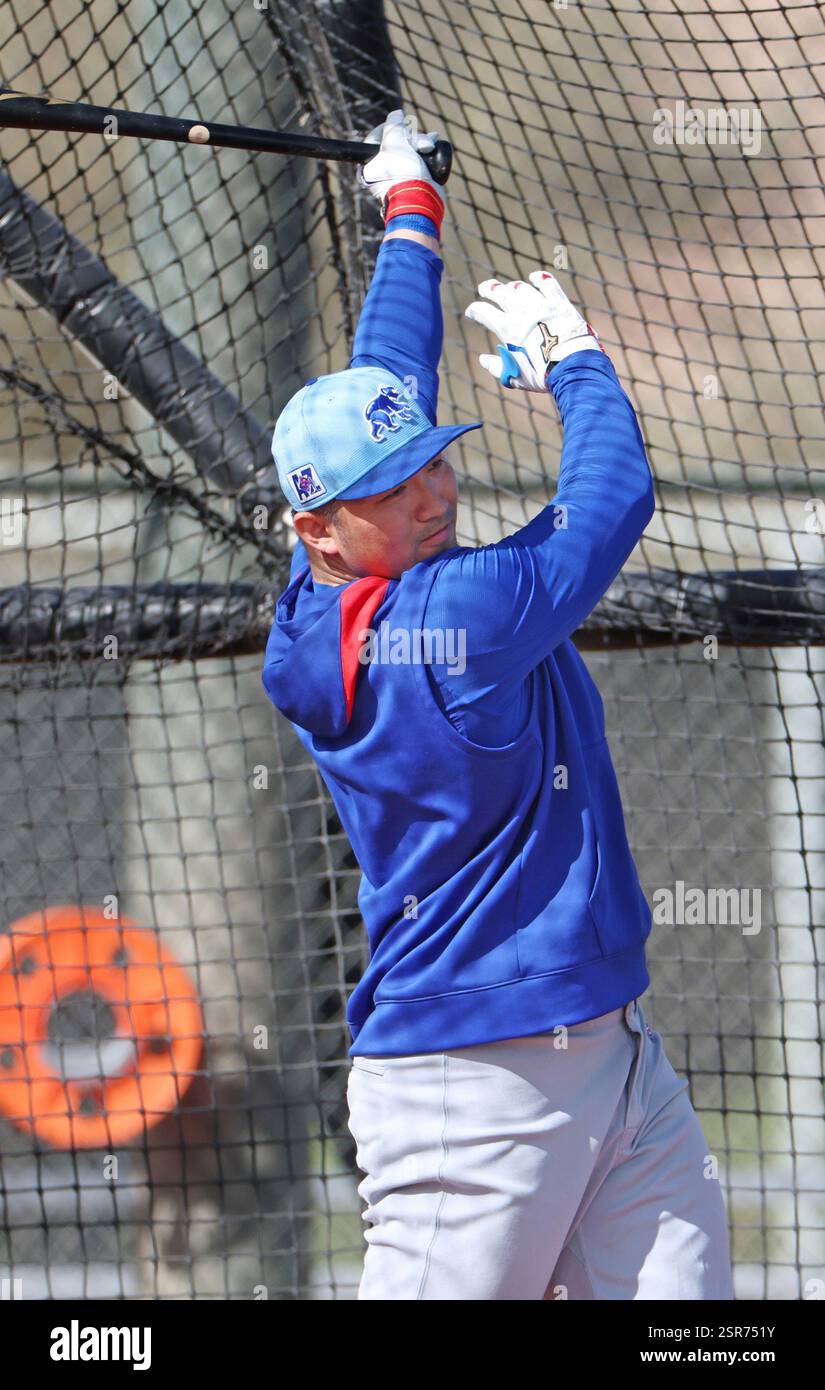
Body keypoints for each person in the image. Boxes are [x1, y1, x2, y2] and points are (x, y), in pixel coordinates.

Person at [262, 109, 733, 1301]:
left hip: (614, 1056)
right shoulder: (455, 618)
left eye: (432, 462)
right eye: (391, 489)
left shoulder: (324, 595)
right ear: (320, 528)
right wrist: (575, 357)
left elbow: (387, 377)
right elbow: (611, 497)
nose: (432, 494)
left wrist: (409, 213)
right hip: (468, 1087)